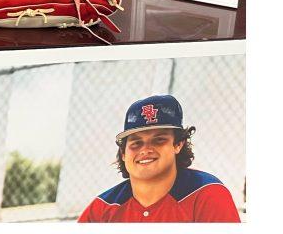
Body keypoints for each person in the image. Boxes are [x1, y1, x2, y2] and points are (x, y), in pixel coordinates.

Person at [78, 94, 240, 222]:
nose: (145, 150)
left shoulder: (206, 194)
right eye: (136, 143)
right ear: (123, 153)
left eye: (159, 140)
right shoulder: (102, 208)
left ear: (178, 144)